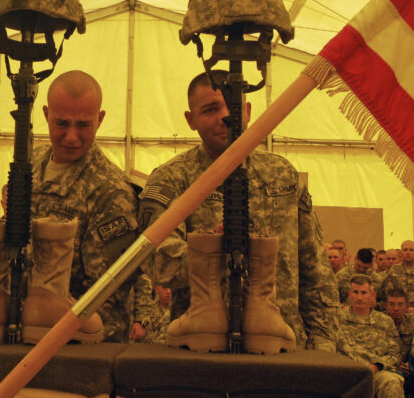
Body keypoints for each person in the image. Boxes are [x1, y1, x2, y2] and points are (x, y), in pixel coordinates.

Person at [139, 70, 339, 351]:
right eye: (210, 109)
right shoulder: (173, 179)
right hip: (202, 344)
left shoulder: (282, 175)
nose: (224, 117)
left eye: (232, 108)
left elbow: (315, 268)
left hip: (282, 343)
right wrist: (219, 252)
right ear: (190, 120)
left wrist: (325, 342)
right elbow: (157, 261)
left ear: (246, 111)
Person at [30, 70, 139, 342]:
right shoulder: (31, 165)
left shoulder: (110, 191)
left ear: (100, 120)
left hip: (79, 344)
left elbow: (108, 294)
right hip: (26, 327)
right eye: (61, 123)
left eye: (83, 125)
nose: (70, 136)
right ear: (46, 114)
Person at [338, 275, 404, 398]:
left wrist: (377, 366)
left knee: (392, 382)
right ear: (349, 294)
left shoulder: (385, 321)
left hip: (377, 374)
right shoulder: (337, 319)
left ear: (372, 295)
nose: (359, 297)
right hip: (346, 374)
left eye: (364, 292)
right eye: (355, 292)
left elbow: (395, 355)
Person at [381, 241, 414, 313]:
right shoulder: (394, 270)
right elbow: (388, 293)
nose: (408, 252)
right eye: (405, 250)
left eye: (411, 250)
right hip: (398, 311)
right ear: (401, 253)